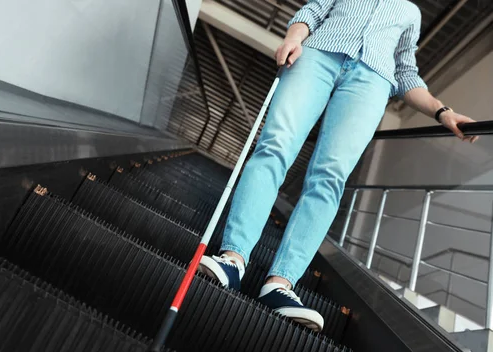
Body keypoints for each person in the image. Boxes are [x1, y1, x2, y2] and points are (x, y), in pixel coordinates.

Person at [198, 0, 477, 332]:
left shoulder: (410, 12)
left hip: (372, 82)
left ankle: (280, 284)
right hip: (317, 56)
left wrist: (443, 112)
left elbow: (405, 73)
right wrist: (294, 37)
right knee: (274, 146)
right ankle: (233, 260)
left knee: (330, 177)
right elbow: (314, 11)